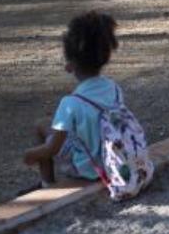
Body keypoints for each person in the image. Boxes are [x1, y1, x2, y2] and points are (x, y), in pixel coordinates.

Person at [23, 11, 123, 186]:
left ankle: (47, 184)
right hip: (113, 159)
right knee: (59, 126)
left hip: (88, 169)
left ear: (70, 65)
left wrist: (31, 155)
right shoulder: (114, 88)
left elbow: (52, 148)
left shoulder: (70, 104)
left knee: (41, 126)